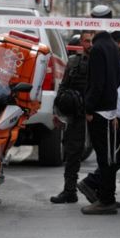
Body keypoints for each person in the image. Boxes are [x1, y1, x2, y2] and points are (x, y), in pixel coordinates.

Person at [79, 5, 120, 215]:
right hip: (110, 108)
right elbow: (117, 80)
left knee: (104, 157)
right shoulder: (114, 46)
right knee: (109, 156)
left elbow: (96, 83)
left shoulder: (98, 48)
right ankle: (108, 195)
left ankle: (106, 200)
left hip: (100, 110)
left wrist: (89, 108)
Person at [50, 30, 93, 203]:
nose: (90, 44)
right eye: (87, 41)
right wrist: (57, 112)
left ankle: (103, 192)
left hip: (97, 114)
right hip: (77, 114)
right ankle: (69, 191)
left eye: (92, 41)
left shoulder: (103, 62)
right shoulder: (74, 62)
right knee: (72, 152)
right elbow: (63, 87)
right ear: (81, 42)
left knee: (105, 155)